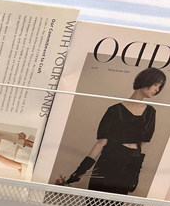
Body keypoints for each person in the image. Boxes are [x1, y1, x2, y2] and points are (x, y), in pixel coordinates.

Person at [58, 67, 166, 195]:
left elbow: (143, 145)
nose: (157, 90)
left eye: (159, 87)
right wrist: (79, 172)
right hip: (107, 163)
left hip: (128, 167)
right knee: (94, 203)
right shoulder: (114, 110)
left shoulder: (150, 112)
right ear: (146, 81)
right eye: (155, 85)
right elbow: (100, 143)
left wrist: (135, 174)